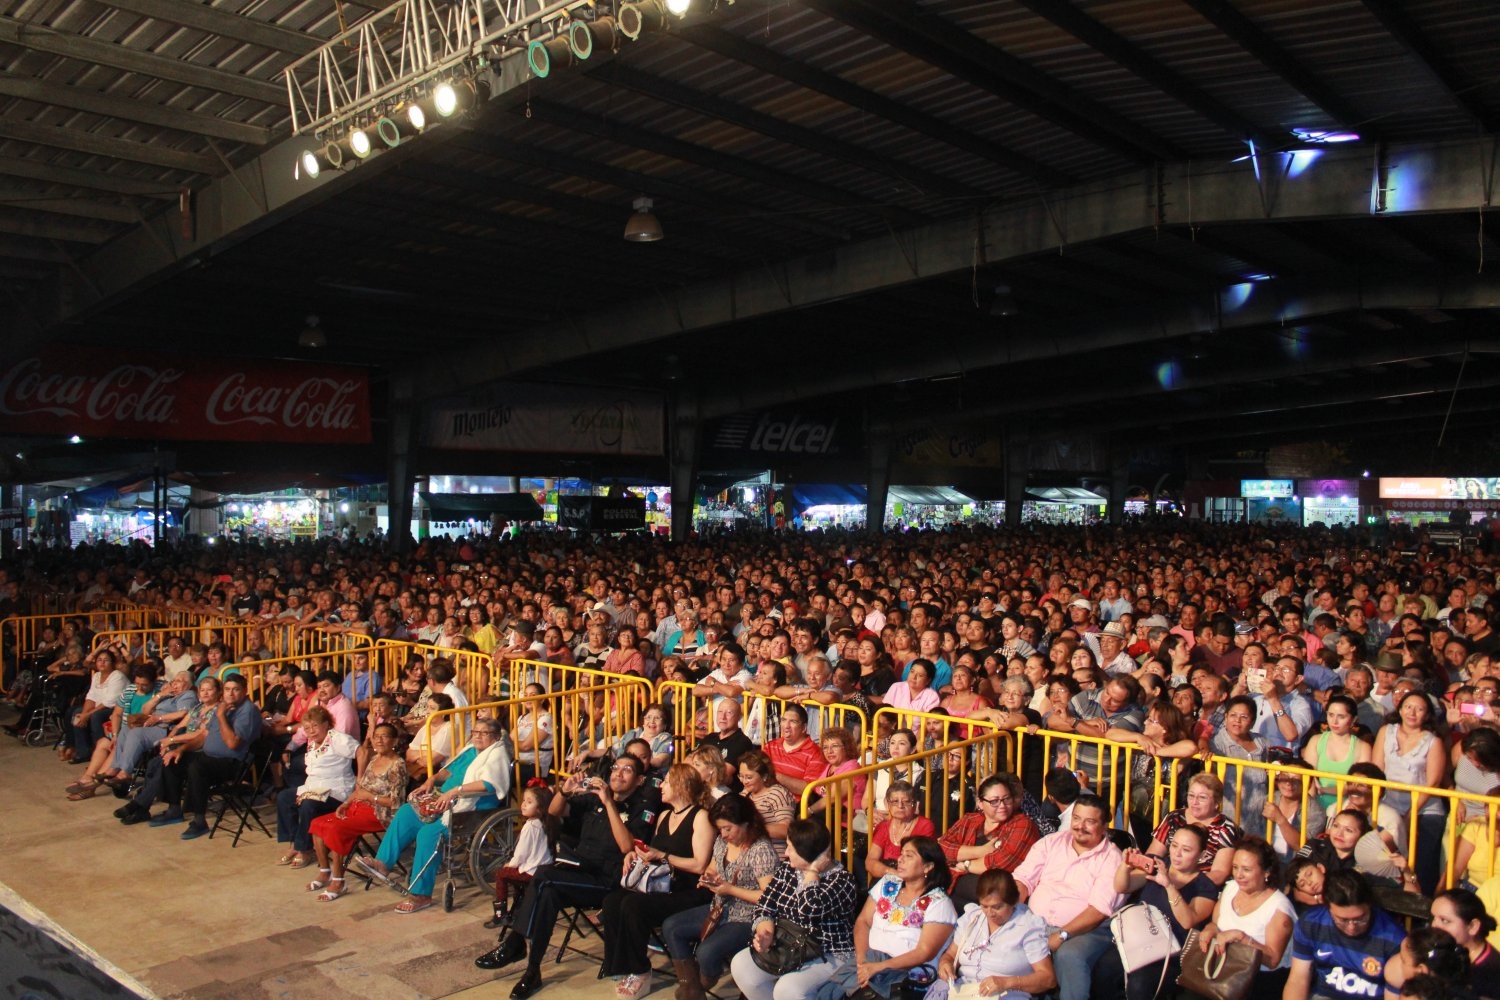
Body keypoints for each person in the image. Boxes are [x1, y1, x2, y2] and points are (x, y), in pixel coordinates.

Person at [473, 754, 657, 1000]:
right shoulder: (593, 799)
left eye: (627, 770)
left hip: (607, 880)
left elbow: (627, 848)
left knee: (544, 875)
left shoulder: (641, 807)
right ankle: (532, 971)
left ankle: (516, 941)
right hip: (578, 870)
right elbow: (553, 810)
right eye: (615, 768)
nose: (618, 773)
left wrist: (609, 803)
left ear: (639, 779)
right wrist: (564, 790)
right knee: (547, 891)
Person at [352, 718, 510, 913]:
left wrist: (455, 791)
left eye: (483, 733)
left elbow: (489, 784)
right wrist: (431, 780)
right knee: (406, 812)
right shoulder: (470, 750)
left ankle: (421, 895)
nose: (477, 736)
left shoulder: (497, 754)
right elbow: (447, 772)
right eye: (475, 732)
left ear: (495, 737)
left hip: (470, 808)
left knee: (428, 835)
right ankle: (382, 863)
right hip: (443, 799)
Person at [599, 763, 716, 998]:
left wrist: (664, 856)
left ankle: (641, 970)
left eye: (667, 781)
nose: (660, 785)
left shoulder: (700, 817)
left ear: (681, 786)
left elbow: (700, 865)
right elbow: (653, 853)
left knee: (634, 906)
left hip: (688, 888)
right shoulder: (663, 815)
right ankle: (621, 965)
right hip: (662, 883)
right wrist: (637, 854)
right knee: (612, 901)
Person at [661, 794, 778, 1000]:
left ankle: (704, 981)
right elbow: (713, 867)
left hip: (747, 916)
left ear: (746, 824)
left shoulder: (761, 850)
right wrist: (708, 876)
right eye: (720, 829)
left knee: (706, 952)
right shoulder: (722, 843)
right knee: (671, 926)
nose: (723, 834)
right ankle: (691, 988)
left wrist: (730, 890)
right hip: (720, 907)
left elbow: (768, 897)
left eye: (728, 829)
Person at [729, 818, 862, 1000]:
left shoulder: (843, 882)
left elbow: (808, 910)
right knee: (741, 965)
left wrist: (813, 872)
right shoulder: (787, 869)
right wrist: (765, 932)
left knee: (787, 988)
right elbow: (765, 905)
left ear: (807, 851)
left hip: (828, 952)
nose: (786, 852)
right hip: (789, 945)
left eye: (791, 847)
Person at [1009, 794, 1126, 1000]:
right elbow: (1023, 880)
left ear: (1104, 826)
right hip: (1036, 921)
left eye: (1090, 821)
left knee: (1069, 955)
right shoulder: (1051, 842)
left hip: (1087, 930)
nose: (1080, 826)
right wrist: (1010, 914)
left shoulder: (1112, 858)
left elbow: (1097, 911)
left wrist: (1062, 935)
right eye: (1077, 818)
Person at [1094, 824, 1217, 1000]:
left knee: (1139, 982)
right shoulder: (1158, 864)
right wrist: (1125, 866)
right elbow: (1122, 886)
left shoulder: (1205, 887)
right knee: (1104, 969)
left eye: (1186, 850)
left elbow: (1188, 921)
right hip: (1137, 941)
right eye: (1174, 846)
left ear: (1202, 855)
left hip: (1169, 953)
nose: (1177, 854)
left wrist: (1169, 885)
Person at [152, 672, 263, 841]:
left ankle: (199, 820)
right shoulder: (224, 705)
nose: (230, 694)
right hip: (209, 757)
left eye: (235, 690)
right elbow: (204, 736)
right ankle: (174, 809)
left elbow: (233, 744)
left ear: (244, 690)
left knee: (198, 768)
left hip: (232, 763)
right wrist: (181, 749)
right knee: (174, 759)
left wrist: (220, 716)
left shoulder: (247, 711)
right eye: (227, 689)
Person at [306, 721, 406, 901]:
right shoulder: (374, 759)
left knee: (337, 828)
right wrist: (346, 802)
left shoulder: (397, 764)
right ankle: (325, 871)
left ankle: (339, 881)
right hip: (359, 806)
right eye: (376, 737)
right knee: (317, 823)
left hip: (380, 813)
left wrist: (371, 798)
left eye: (385, 737)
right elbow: (360, 789)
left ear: (394, 741)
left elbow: (395, 802)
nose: (379, 740)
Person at [850, 835, 957, 999]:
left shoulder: (939, 904)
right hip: (869, 965)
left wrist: (879, 967)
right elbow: (863, 921)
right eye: (901, 854)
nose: (900, 859)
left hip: (906, 978)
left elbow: (924, 952)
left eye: (909, 856)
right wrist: (862, 962)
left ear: (928, 866)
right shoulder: (888, 883)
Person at [1196, 836, 1297, 996]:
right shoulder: (1231, 889)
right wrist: (1209, 930)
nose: (1238, 875)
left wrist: (1241, 937)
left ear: (1267, 872)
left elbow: (1272, 960)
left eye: (1247, 870)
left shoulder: (1279, 908)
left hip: (1260, 981)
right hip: (1224, 970)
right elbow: (1215, 923)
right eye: (1235, 867)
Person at [934, 867, 1055, 999]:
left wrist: (1007, 982)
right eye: (984, 906)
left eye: (997, 907)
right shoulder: (973, 917)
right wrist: (945, 964)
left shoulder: (1028, 926)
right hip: (964, 990)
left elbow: (1047, 979)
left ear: (1013, 901)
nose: (990, 913)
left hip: (1006, 994)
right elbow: (951, 955)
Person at [1284, 869, 1406, 1000]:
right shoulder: (1311, 924)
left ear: (1369, 905)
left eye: (1360, 918)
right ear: (1328, 907)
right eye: (1343, 920)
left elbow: (1394, 994)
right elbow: (1298, 979)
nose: (1352, 927)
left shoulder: (1394, 939)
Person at [1373, 689, 1449, 895]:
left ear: (1427, 714)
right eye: (1408, 706)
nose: (1412, 712)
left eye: (1419, 708)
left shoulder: (1434, 741)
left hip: (1425, 809)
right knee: (1383, 858)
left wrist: (1410, 814)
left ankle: (1421, 912)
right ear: (1400, 708)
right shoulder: (1386, 731)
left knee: (1421, 864)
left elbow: (1432, 782)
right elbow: (1377, 768)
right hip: (1389, 804)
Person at [274, 705, 358, 869]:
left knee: (309, 805)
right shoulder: (312, 743)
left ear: (326, 724)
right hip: (313, 788)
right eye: (307, 727)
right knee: (284, 798)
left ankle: (305, 849)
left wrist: (360, 778)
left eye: (315, 726)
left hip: (336, 790)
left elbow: (362, 752)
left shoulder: (338, 739)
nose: (311, 731)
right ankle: (294, 844)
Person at [938, 773, 1040, 906]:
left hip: (991, 903)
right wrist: (981, 851)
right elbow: (940, 848)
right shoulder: (970, 820)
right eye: (994, 801)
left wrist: (964, 864)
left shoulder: (1023, 824)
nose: (1002, 806)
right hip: (952, 896)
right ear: (980, 803)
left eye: (1006, 799)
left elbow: (1000, 863)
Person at [1146, 773, 1241, 885]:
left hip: (1202, 888)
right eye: (1191, 796)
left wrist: (1183, 884)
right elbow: (1152, 855)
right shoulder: (1174, 818)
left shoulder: (1225, 829)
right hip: (1166, 878)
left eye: (1202, 798)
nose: (1194, 802)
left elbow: (1219, 873)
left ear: (1216, 803)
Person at [487, 780, 558, 929]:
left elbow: (521, 854)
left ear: (540, 808)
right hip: (547, 869)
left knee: (501, 874)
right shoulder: (547, 823)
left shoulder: (530, 826)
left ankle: (500, 914)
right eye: (524, 800)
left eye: (529, 802)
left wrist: (510, 865)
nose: (523, 804)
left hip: (532, 871)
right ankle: (519, 907)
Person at [1426, 889, 1500, 1000]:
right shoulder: (1438, 950)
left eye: (1445, 920)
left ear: (1473, 926)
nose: (1434, 926)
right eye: (1433, 918)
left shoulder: (1491, 972)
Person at [867, 781, 936, 882]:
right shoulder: (883, 827)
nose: (900, 806)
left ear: (914, 804)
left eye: (906, 801)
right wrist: (891, 872)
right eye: (895, 801)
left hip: (913, 882)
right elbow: (870, 861)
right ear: (887, 804)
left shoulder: (924, 826)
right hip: (887, 879)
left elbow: (920, 863)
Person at [737, 750, 795, 857]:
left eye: (749, 777)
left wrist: (752, 829)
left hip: (773, 855)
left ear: (764, 776)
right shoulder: (743, 795)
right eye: (741, 776)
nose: (744, 781)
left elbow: (787, 830)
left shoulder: (777, 793)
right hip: (746, 855)